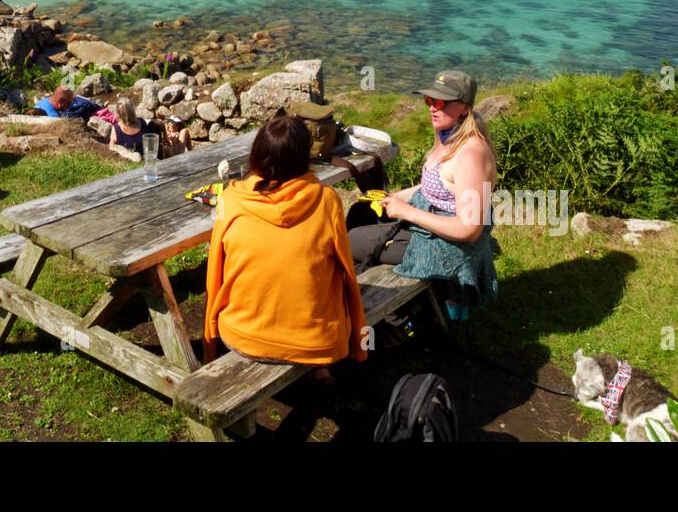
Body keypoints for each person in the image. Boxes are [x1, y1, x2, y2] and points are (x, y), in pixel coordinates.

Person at [204, 116, 367, 381]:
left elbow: (215, 273)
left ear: (257, 154)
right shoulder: (326, 200)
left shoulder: (232, 199)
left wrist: (210, 336)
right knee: (323, 271)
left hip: (242, 336)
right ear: (304, 157)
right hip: (316, 343)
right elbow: (347, 272)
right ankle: (319, 367)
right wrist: (358, 341)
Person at [349, 70, 498, 318]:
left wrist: (408, 212)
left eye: (441, 102)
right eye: (429, 100)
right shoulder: (448, 135)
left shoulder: (471, 154)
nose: (432, 108)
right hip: (431, 230)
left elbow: (469, 229)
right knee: (360, 212)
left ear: (464, 108)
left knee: (351, 239)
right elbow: (434, 186)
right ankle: (364, 294)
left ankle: (371, 308)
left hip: (448, 247)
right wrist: (397, 197)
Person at [32, 84, 99, 119]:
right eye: (69, 103)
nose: (70, 105)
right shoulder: (52, 116)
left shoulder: (45, 101)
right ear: (61, 101)